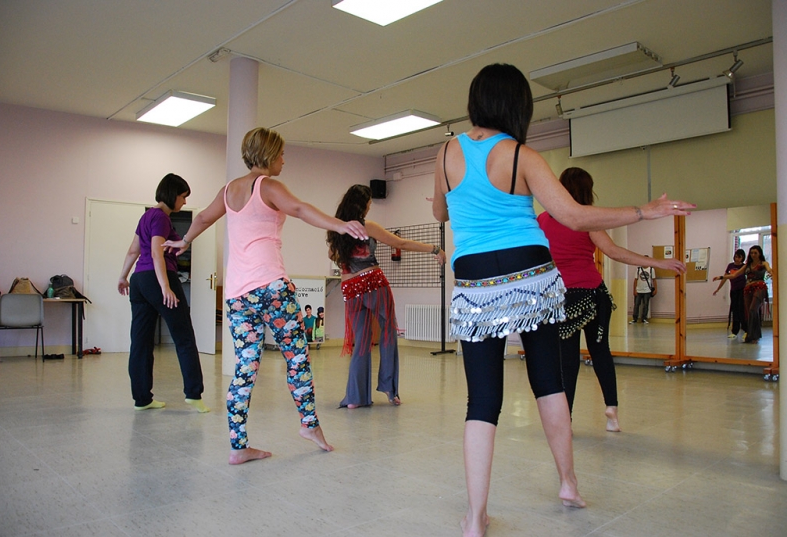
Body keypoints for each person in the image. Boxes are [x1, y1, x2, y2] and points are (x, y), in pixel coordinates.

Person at [431, 63, 693, 537]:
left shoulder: (446, 152)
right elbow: (572, 215)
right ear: (518, 106)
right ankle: (568, 484)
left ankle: (474, 518)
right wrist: (644, 210)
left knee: (483, 399)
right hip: (530, 272)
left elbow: (438, 210)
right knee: (548, 381)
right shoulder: (521, 155)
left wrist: (461, 197)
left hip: (474, 281)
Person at [163, 127, 367, 465]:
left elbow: (201, 217)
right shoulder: (268, 185)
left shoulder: (229, 191)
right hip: (271, 287)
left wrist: (184, 242)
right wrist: (340, 225)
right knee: (297, 359)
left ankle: (238, 446)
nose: (284, 161)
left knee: (246, 368)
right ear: (269, 155)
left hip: (238, 294)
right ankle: (309, 425)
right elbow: (300, 209)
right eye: (282, 155)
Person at [538, 167, 686, 433]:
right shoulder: (586, 220)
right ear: (587, 190)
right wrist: (656, 262)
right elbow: (614, 252)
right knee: (601, 352)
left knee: (567, 362)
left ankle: (565, 421)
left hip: (563, 300)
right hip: (594, 296)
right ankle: (612, 412)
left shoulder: (542, 221)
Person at [327, 184, 446, 409]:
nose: (371, 206)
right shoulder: (366, 226)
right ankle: (391, 391)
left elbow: (332, 255)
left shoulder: (336, 229)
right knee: (388, 333)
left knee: (361, 341)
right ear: (362, 205)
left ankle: (355, 398)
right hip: (373, 283)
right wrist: (434, 249)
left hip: (350, 289)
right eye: (369, 203)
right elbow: (400, 243)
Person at [117, 173, 209, 413]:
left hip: (138, 281)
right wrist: (165, 286)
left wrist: (123, 277)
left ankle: (142, 399)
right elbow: (157, 253)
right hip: (158, 278)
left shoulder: (146, 216)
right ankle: (194, 394)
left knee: (140, 341)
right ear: (172, 194)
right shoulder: (161, 218)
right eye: (182, 196)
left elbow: (132, 251)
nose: (184, 202)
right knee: (184, 337)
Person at [713, 245, 773, 344]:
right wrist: (720, 277)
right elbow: (734, 275)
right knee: (748, 312)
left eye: (755, 253)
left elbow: (769, 269)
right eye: (752, 253)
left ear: (759, 254)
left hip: (759, 288)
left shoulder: (763, 263)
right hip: (748, 289)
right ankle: (751, 335)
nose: (753, 255)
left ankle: (754, 335)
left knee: (753, 309)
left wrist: (771, 273)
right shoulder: (747, 266)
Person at [713, 249, 747, 339]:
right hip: (734, 291)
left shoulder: (744, 267)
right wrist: (718, 289)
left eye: (739, 257)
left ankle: (746, 330)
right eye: (736, 256)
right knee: (734, 310)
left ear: (742, 258)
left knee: (742, 310)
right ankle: (734, 331)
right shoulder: (730, 266)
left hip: (742, 290)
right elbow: (725, 278)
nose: (737, 259)